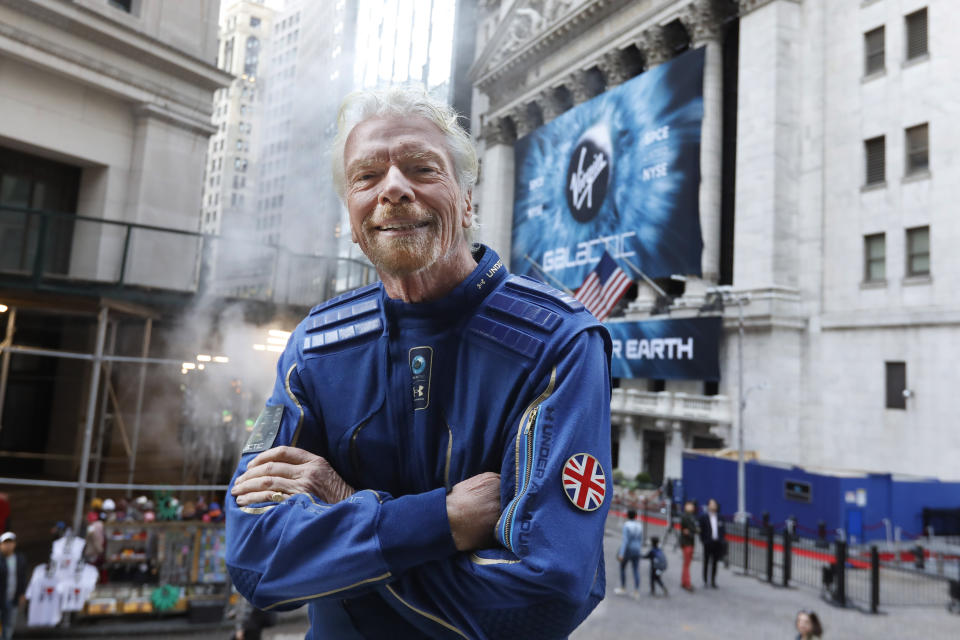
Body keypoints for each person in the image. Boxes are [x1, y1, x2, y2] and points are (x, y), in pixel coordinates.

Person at [225, 86, 613, 639]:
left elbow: (546, 593)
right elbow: (255, 557)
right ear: (352, 213)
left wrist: (341, 524)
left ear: (468, 197)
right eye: (367, 177)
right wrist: (442, 521)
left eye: (422, 168)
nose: (394, 190)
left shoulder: (560, 341)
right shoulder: (315, 344)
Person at [0, 532, 28, 640]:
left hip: (13, 597)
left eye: (10, 542)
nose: (8, 545)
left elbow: (22, 578)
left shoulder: (19, 559)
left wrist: (22, 593)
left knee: (9, 625)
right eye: (5, 543)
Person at [615, 509, 643, 597]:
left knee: (623, 568)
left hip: (628, 549)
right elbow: (640, 539)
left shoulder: (627, 525)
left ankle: (623, 587)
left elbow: (625, 541)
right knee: (635, 570)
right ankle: (636, 591)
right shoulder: (639, 525)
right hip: (637, 549)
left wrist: (621, 554)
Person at [698, 498, 726, 588]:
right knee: (706, 562)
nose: (713, 506)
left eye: (714, 504)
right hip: (708, 542)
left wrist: (721, 539)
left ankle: (713, 580)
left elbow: (722, 530)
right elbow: (701, 530)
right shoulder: (704, 517)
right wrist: (703, 540)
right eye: (711, 504)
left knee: (714, 562)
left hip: (717, 542)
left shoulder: (720, 517)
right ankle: (705, 581)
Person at [679, 500, 698, 592]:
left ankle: (684, 581)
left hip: (690, 542)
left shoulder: (692, 517)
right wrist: (693, 532)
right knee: (687, 564)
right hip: (687, 543)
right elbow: (687, 531)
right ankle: (687, 583)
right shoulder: (685, 517)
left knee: (687, 564)